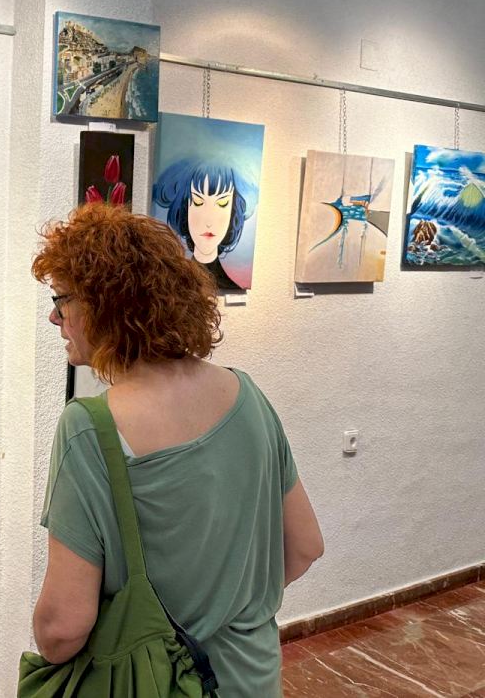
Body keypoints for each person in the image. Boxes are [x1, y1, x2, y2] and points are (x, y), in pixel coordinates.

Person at [30, 203, 323, 698]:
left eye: (62, 300)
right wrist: (227, 611)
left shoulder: (90, 429)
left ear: (104, 305)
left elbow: (63, 628)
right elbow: (305, 546)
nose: (55, 316)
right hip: (253, 678)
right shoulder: (247, 395)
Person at [153, 159, 253, 290]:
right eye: (198, 202)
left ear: (233, 210)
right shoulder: (171, 288)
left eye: (222, 203)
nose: (209, 222)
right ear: (184, 207)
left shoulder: (232, 288)